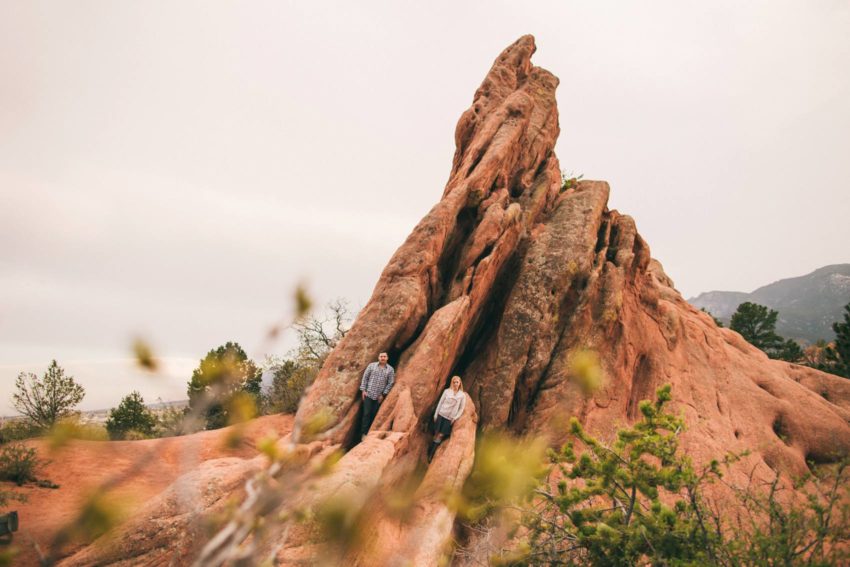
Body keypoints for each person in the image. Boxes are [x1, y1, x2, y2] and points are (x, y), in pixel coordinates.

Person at [428, 375, 466, 463]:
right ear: (452, 383)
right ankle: (430, 450)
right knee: (436, 433)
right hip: (441, 414)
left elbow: (461, 408)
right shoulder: (447, 392)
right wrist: (435, 414)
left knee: (441, 435)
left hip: (449, 418)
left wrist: (455, 417)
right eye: (454, 382)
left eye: (457, 382)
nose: (456, 384)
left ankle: (431, 455)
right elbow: (440, 403)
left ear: (460, 383)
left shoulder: (462, 395)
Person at [359, 352, 395, 440]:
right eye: (381, 356)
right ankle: (364, 434)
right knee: (366, 414)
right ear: (378, 357)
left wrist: (383, 394)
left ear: (387, 358)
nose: (382, 358)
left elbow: (390, 383)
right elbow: (365, 377)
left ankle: (371, 434)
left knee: (374, 415)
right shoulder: (371, 366)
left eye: (384, 356)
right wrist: (363, 390)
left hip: (379, 396)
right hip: (369, 394)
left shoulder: (390, 369)